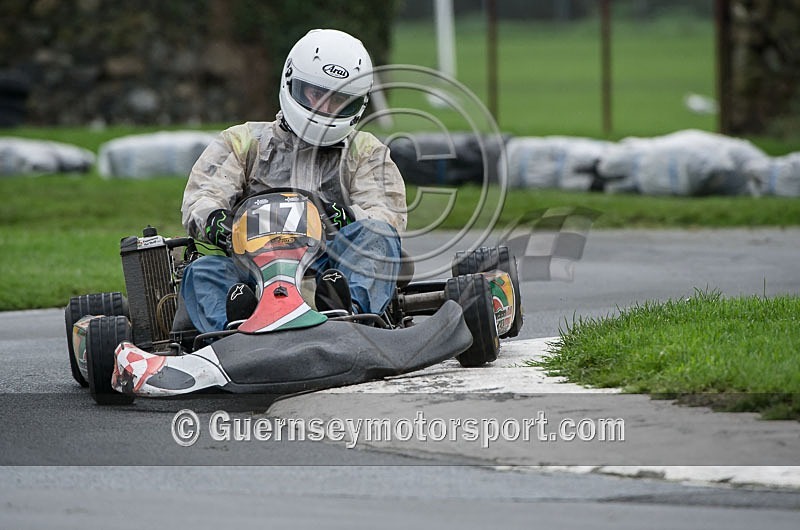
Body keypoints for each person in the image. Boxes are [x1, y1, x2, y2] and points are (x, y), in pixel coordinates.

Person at [179, 28, 406, 334]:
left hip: (328, 269)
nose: (325, 109)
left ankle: (350, 316)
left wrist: (349, 217)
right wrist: (216, 221)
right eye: (316, 94)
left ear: (357, 105)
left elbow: (386, 217)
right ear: (291, 83)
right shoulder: (243, 142)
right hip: (251, 272)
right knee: (202, 270)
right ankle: (234, 327)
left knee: (377, 237)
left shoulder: (364, 152)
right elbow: (201, 198)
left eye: (338, 101)